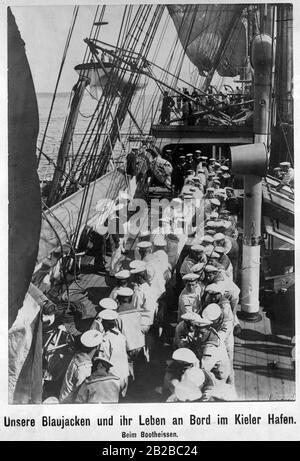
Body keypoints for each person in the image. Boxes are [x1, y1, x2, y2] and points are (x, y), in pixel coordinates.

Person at [59, 330, 102, 403]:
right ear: (97, 347)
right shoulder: (85, 367)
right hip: (70, 403)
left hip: (64, 397)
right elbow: (82, 391)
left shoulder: (77, 356)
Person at [98, 309, 129, 397]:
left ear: (106, 324)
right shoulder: (121, 336)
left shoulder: (105, 339)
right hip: (124, 375)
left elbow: (103, 361)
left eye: (103, 322)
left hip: (113, 377)